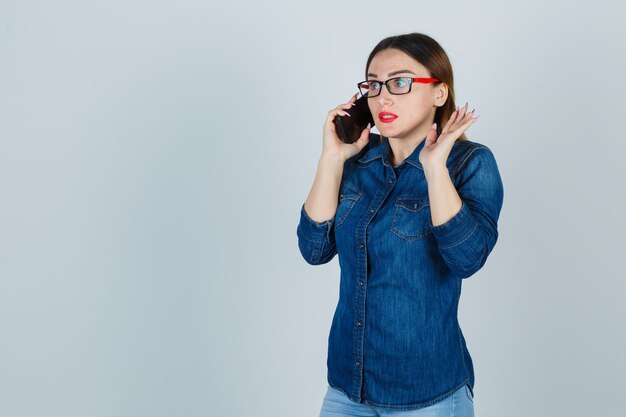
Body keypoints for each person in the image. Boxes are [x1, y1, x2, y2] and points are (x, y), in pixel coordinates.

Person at [296, 32, 504, 417]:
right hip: (347, 385)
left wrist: (434, 167)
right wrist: (331, 158)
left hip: (426, 392)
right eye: (373, 85)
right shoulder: (357, 163)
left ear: (439, 93)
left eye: (400, 82)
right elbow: (313, 249)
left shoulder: (470, 164)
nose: (383, 98)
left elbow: (468, 260)